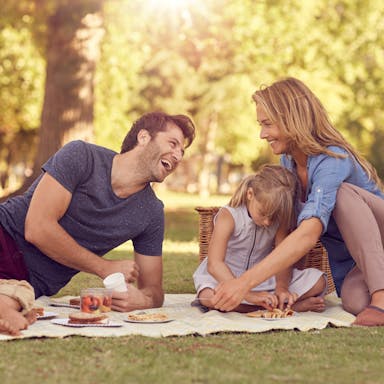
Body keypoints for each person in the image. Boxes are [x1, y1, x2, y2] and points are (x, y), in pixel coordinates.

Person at [210, 77, 384, 326]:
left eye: (268, 124)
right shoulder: (288, 165)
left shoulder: (333, 158)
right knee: (355, 303)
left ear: (292, 119)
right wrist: (283, 286)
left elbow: (308, 233)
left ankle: (381, 299)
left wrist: (244, 282)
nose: (262, 134)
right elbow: (289, 230)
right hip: (357, 262)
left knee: (343, 195)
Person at [0, 111, 196, 326]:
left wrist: (142, 300)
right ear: (144, 137)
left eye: (182, 152)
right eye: (173, 143)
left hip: (27, 282)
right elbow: (37, 228)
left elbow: (154, 291)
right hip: (4, 235)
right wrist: (104, 267)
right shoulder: (82, 156)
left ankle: (6, 308)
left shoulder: (151, 212)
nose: (178, 156)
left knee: (15, 297)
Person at [193, 164, 326, 313]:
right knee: (208, 297)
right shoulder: (229, 215)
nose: (268, 222)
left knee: (318, 281)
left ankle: (269, 304)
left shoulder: (279, 220)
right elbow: (214, 264)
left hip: (262, 279)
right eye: (263, 213)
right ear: (250, 195)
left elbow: (284, 259)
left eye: (273, 216)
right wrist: (248, 294)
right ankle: (287, 307)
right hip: (224, 277)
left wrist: (281, 288)